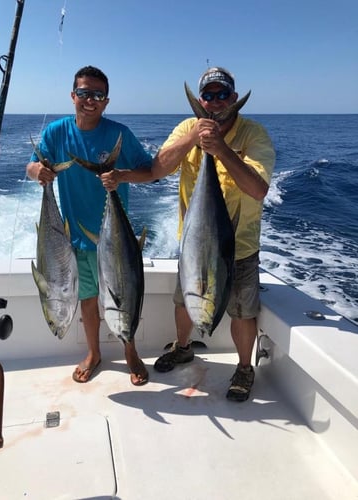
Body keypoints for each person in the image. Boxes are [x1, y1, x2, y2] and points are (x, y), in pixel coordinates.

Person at [151, 67, 276, 402]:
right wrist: (194, 138)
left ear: (234, 99)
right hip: (193, 247)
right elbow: (158, 168)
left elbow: (259, 189)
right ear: (201, 100)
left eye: (223, 95)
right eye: (209, 96)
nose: (215, 102)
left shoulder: (254, 135)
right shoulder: (187, 128)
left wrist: (220, 149)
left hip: (238, 246)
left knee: (242, 311)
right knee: (183, 300)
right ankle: (182, 348)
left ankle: (245, 367)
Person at [26, 65, 153, 385]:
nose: (90, 100)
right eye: (84, 93)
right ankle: (94, 353)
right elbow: (31, 165)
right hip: (74, 237)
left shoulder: (118, 134)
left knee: (123, 295)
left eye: (97, 95)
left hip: (115, 240)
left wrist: (121, 175)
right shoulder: (56, 132)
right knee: (87, 298)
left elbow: (148, 171)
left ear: (106, 101)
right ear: (73, 96)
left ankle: (130, 351)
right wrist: (37, 172)